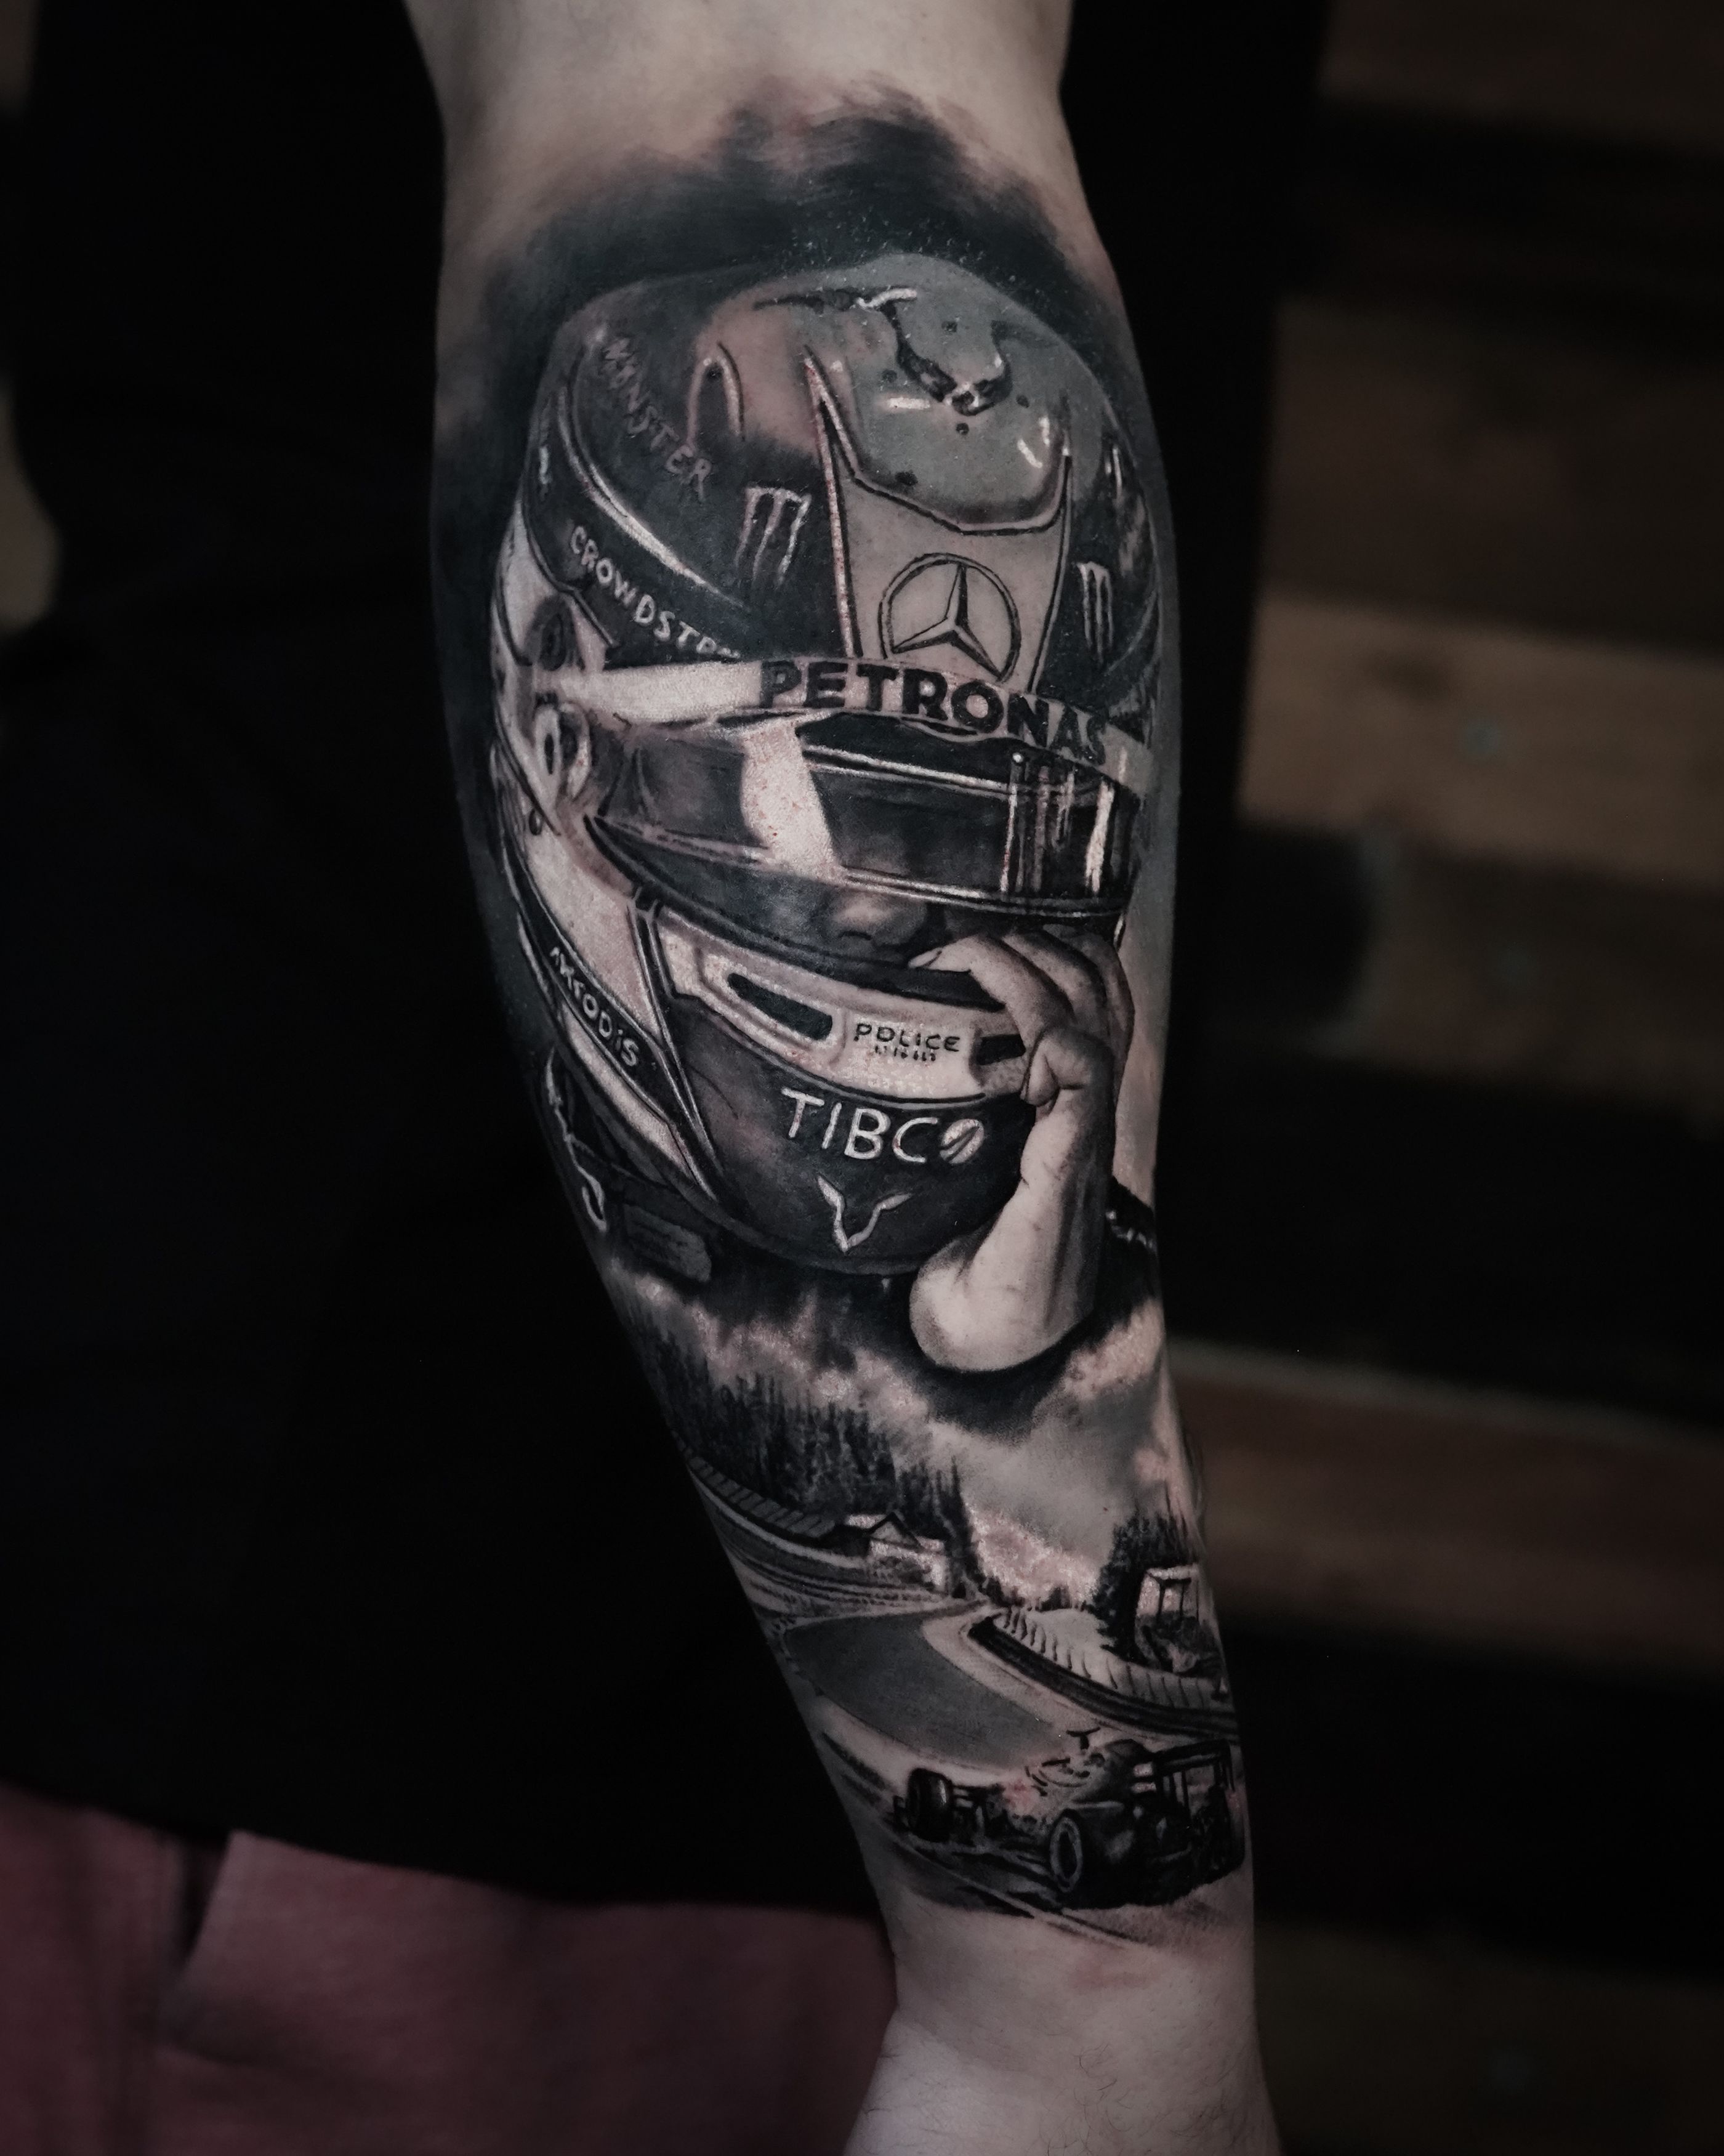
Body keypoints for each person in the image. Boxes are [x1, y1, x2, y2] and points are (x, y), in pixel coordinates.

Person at [0, 2, 1321, 2149]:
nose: (920, 921)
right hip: (337, 1606)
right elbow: (772, 94)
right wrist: (1086, 1975)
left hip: (632, 1666)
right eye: (854, 807)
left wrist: (987, 1341)